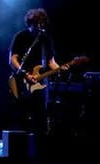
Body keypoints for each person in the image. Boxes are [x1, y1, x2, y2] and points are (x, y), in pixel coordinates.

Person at [8, 8, 67, 137]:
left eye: (42, 24)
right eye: (37, 24)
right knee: (21, 115)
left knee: (40, 115)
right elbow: (12, 59)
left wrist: (60, 69)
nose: (40, 27)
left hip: (40, 83)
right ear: (30, 23)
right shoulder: (20, 36)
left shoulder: (46, 39)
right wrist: (24, 73)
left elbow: (51, 62)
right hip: (21, 81)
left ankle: (39, 142)